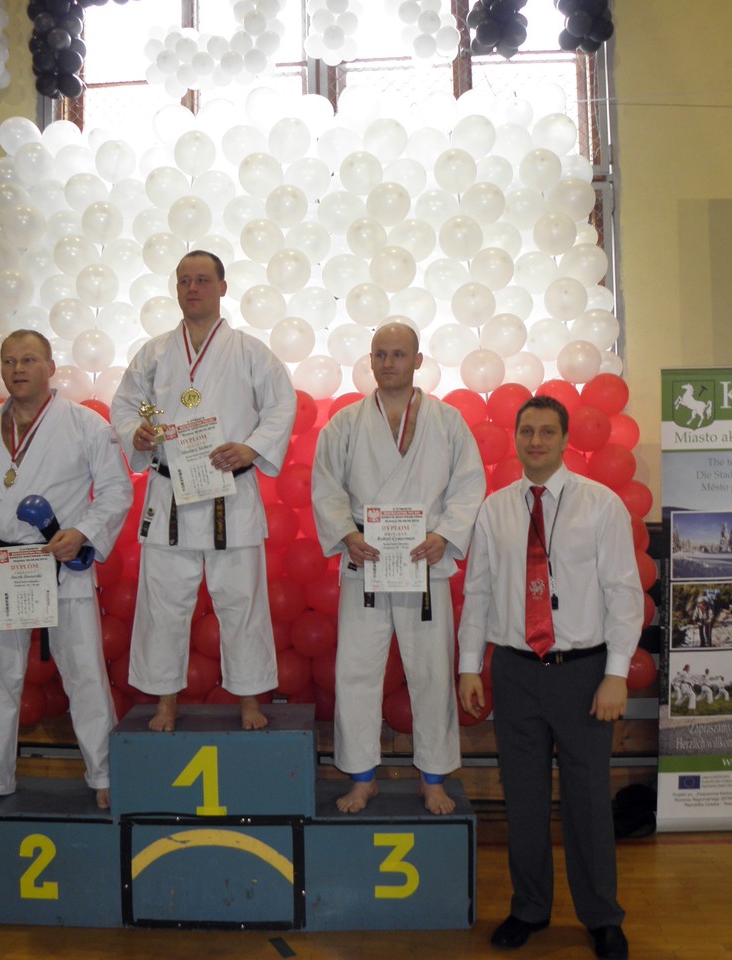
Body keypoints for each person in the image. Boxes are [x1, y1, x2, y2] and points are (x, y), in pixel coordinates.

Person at [458, 395, 642, 960]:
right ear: (515, 439)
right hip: (514, 670)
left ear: (565, 440)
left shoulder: (601, 504)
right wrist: (470, 665)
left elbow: (624, 594)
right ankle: (530, 907)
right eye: (527, 431)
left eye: (546, 432)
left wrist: (616, 675)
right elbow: (478, 592)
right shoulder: (494, 510)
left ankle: (601, 916)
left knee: (588, 800)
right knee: (524, 797)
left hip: (583, 674)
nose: (535, 441)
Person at [0, 330, 133, 812]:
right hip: (3, 564)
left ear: (50, 367)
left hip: (60, 561)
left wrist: (83, 532)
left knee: (84, 673)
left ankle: (104, 774)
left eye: (28, 360)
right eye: (9, 361)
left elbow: (117, 490)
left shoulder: (85, 424)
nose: (18, 369)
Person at [111, 250, 296, 732]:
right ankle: (165, 702)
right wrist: (136, 432)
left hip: (228, 492)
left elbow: (281, 405)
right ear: (176, 289)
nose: (192, 289)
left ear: (222, 288)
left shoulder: (251, 352)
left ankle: (250, 700)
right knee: (164, 605)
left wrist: (252, 447)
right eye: (184, 281)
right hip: (170, 492)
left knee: (242, 602)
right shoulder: (154, 353)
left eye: (202, 280)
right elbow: (127, 405)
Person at [311, 321, 485, 815]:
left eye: (399, 354)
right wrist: (347, 534)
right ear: (370, 360)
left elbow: (469, 485)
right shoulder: (344, 424)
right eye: (380, 354)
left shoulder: (448, 421)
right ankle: (362, 777)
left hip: (424, 561)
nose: (388, 363)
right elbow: (326, 486)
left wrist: (444, 535)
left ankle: (433, 779)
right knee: (357, 671)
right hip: (364, 559)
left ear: (418, 361)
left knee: (431, 672)